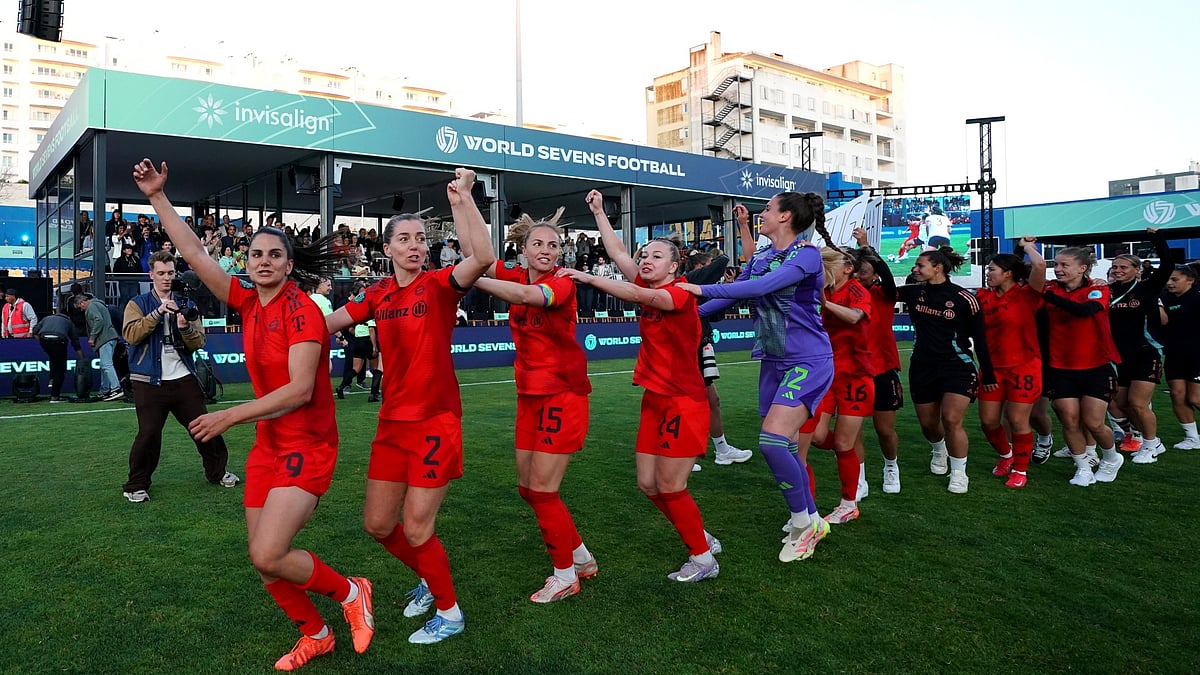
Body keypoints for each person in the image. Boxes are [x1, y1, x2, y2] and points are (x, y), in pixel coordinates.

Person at [133, 159, 374, 670]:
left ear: (289, 265)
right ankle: (317, 634)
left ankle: (352, 591)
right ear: (247, 261)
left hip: (308, 444)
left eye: (274, 255)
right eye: (257, 253)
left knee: (269, 553)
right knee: (264, 562)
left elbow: (301, 390)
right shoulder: (246, 300)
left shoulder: (303, 311)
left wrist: (229, 416)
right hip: (270, 444)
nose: (264, 261)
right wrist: (157, 197)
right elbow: (196, 253)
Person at [325, 168, 493, 644]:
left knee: (418, 527)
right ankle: (428, 578)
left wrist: (463, 199)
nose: (416, 245)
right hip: (392, 423)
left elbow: (482, 255)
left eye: (422, 238)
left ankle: (450, 612)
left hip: (436, 421)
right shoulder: (376, 293)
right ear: (388, 249)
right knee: (378, 524)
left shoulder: (440, 285)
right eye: (406, 239)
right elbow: (327, 324)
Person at [558, 190, 719, 582]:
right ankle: (699, 536)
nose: (645, 260)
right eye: (644, 255)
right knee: (649, 485)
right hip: (655, 400)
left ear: (675, 265)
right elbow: (617, 253)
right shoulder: (650, 284)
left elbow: (631, 292)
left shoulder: (679, 292)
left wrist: (585, 276)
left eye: (655, 256)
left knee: (670, 484)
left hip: (684, 401)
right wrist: (597, 212)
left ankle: (702, 559)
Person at [680, 194, 835, 562]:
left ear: (784, 216)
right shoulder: (763, 256)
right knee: (787, 444)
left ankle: (802, 524)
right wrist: (687, 314)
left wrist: (697, 288)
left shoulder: (806, 254)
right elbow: (729, 299)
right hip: (773, 361)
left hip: (808, 360)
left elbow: (757, 288)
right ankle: (812, 517)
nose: (761, 214)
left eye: (766, 210)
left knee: (772, 441)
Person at [468, 207, 598, 603]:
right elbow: (480, 252)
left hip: (563, 394)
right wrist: (464, 200)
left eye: (553, 245)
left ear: (562, 252)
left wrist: (472, 278)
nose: (546, 250)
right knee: (528, 489)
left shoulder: (561, 283)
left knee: (542, 490)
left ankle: (564, 576)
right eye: (537, 244)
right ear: (522, 249)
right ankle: (580, 558)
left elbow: (526, 296)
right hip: (529, 395)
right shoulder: (514, 273)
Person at [896, 247, 996, 494]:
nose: (915, 269)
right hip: (922, 367)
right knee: (929, 425)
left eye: (920, 266)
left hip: (957, 366)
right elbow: (885, 289)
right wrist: (869, 249)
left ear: (937, 268)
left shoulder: (964, 298)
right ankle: (939, 449)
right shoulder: (913, 292)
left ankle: (960, 472)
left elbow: (980, 340)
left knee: (951, 419)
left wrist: (989, 373)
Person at [1042, 246, 1123, 487]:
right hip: (1060, 366)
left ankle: (1111, 458)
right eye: (1055, 264)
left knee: (1093, 422)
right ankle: (1083, 467)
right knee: (1069, 420)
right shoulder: (1049, 288)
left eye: (1064, 265)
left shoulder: (1098, 288)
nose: (1057, 269)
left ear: (1082, 268)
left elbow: (1084, 311)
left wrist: (1046, 296)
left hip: (1096, 365)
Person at [974, 238, 1046, 489]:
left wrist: (1025, 246)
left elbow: (1039, 265)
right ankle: (1007, 455)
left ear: (1007, 274)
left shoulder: (1028, 295)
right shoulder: (982, 296)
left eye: (992, 269)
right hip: (992, 368)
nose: (988, 273)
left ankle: (1021, 470)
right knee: (988, 422)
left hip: (1024, 366)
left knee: (1017, 420)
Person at [1106, 228, 1173, 461]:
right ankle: (1149, 440)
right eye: (1115, 267)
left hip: (1146, 353)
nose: (1118, 270)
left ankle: (1150, 445)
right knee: (1122, 404)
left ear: (1137, 270)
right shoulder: (1107, 290)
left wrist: (1156, 238)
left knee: (1138, 403)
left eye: (1124, 267)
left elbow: (1168, 265)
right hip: (1120, 356)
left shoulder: (1147, 288)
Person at [682, 248, 751, 467]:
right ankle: (682, 452)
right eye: (706, 265)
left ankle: (721, 450)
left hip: (701, 347)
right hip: (687, 351)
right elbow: (722, 260)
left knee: (712, 401)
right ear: (699, 268)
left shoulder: (701, 291)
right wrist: (717, 258)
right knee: (688, 403)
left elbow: (717, 314)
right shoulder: (687, 286)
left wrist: (727, 288)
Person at [850, 228, 903, 495]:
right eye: (856, 271)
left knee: (884, 429)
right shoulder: (846, 294)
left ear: (875, 273)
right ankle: (859, 477)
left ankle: (891, 465)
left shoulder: (884, 293)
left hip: (882, 368)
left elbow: (890, 278)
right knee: (853, 427)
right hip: (854, 369)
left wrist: (868, 246)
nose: (859, 275)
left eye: (865, 271)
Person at [1159, 263, 1200, 451]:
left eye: (1175, 279)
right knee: (1177, 394)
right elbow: (1162, 321)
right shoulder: (1165, 298)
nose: (1170, 283)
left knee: (1195, 398)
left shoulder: (1197, 297)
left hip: (1197, 353)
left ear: (1190, 280)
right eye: (1168, 279)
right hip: (1174, 353)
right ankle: (1192, 437)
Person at [74, 294, 125, 402]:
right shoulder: (98, 304)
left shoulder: (91, 306)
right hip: (110, 337)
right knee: (104, 365)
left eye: (80, 307)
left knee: (106, 364)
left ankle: (116, 388)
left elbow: (98, 320)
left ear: (82, 302)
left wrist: (92, 337)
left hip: (104, 338)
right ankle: (104, 390)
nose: (81, 310)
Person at [32, 307, 83, 402]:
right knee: (60, 368)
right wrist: (82, 358)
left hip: (44, 339)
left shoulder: (47, 318)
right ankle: (55, 396)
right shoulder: (68, 322)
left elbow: (34, 331)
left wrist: (42, 343)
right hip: (59, 341)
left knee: (53, 358)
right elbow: (75, 342)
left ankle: (51, 379)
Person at [114, 242, 145, 309]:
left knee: (133, 299)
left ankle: (133, 314)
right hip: (123, 282)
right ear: (124, 250)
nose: (130, 250)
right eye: (127, 248)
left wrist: (138, 278)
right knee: (124, 299)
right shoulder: (120, 260)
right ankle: (120, 314)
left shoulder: (136, 259)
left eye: (130, 248)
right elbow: (115, 270)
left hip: (134, 282)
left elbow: (140, 269)